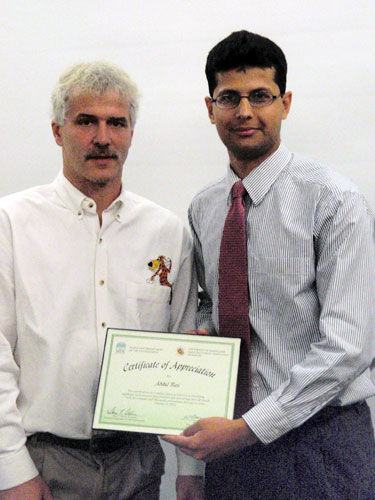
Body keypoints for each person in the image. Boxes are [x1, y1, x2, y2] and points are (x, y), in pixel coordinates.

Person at [163, 31, 375, 499]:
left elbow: (349, 346)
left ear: (286, 102)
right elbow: (208, 301)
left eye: (260, 96)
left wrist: (248, 429)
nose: (244, 112)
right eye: (228, 98)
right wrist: (204, 336)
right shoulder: (205, 207)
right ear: (209, 107)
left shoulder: (334, 201)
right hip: (230, 446)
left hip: (321, 443)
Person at [0, 62, 204, 500]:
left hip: (139, 464)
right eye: (86, 121)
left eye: (117, 123)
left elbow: (185, 349)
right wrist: (12, 471)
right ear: (58, 131)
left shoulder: (167, 233)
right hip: (42, 464)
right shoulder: (10, 223)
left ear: (131, 133)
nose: (103, 138)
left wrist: (191, 469)